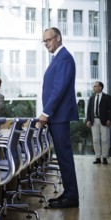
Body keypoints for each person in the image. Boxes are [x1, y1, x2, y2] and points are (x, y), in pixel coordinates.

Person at [39, 27, 79, 208]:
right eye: (44, 41)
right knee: (63, 156)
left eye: (48, 40)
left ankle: (71, 197)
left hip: (59, 115)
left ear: (58, 38)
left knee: (64, 156)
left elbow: (59, 88)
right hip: (57, 116)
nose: (46, 43)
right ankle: (69, 193)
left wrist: (46, 112)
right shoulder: (58, 58)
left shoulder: (64, 58)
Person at [86, 81, 111, 164]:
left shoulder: (107, 97)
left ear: (100, 87)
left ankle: (104, 157)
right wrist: (88, 120)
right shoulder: (91, 98)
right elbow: (89, 110)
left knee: (105, 139)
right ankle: (98, 158)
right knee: (95, 140)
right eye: (94, 86)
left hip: (104, 121)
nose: (94, 88)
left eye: (95, 86)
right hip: (94, 121)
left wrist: (109, 119)